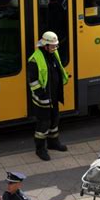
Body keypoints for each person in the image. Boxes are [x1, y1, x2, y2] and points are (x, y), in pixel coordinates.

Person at [28, 31, 69, 161]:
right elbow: (33, 82)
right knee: (43, 125)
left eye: (56, 45)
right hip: (43, 99)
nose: (55, 48)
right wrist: (43, 96)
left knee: (55, 120)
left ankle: (53, 143)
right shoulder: (35, 59)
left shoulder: (53, 53)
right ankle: (40, 149)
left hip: (54, 96)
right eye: (52, 46)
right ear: (45, 46)